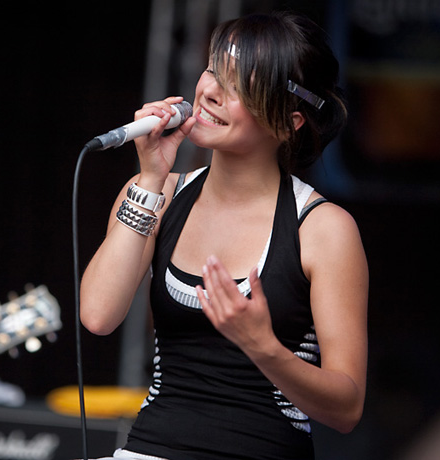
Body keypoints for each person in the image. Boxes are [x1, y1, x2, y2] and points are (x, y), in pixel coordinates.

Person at [80, 11, 368, 460]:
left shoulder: (323, 228)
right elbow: (98, 315)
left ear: (288, 122)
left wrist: (262, 347)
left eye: (241, 86)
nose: (210, 92)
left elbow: (347, 408)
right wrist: (151, 178)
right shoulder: (157, 193)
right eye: (214, 70)